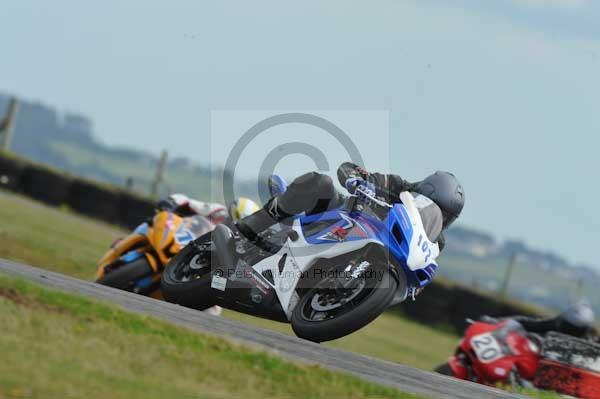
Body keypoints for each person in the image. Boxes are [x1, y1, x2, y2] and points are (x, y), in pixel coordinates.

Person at [237, 162, 465, 251]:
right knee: (320, 183)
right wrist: (355, 181)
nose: (440, 219)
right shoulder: (396, 186)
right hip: (335, 218)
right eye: (440, 211)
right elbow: (348, 168)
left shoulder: (434, 242)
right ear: (426, 192)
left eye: (447, 217)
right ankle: (258, 222)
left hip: (364, 252)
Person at [506, 300, 598, 340]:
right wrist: (507, 321)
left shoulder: (591, 345)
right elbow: (533, 324)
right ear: (563, 321)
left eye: (575, 330)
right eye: (568, 327)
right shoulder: (554, 324)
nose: (570, 332)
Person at [158, 193, 260, 225]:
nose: (233, 224)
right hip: (176, 235)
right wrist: (173, 202)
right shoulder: (218, 211)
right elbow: (190, 202)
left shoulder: (235, 245)